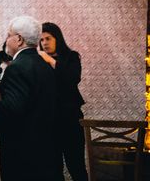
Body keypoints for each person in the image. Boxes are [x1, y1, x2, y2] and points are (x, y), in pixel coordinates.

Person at [0, 15, 60, 181]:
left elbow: (10, 111)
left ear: (19, 39)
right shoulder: (44, 64)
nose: (6, 40)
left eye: (8, 35)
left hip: (23, 153)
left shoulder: (17, 68)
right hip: (45, 149)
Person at [39, 22, 88, 181]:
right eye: (42, 40)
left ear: (57, 38)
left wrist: (51, 61)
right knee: (53, 168)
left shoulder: (71, 57)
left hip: (70, 120)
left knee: (76, 166)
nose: (44, 43)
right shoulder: (38, 61)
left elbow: (73, 79)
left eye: (48, 38)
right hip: (49, 121)